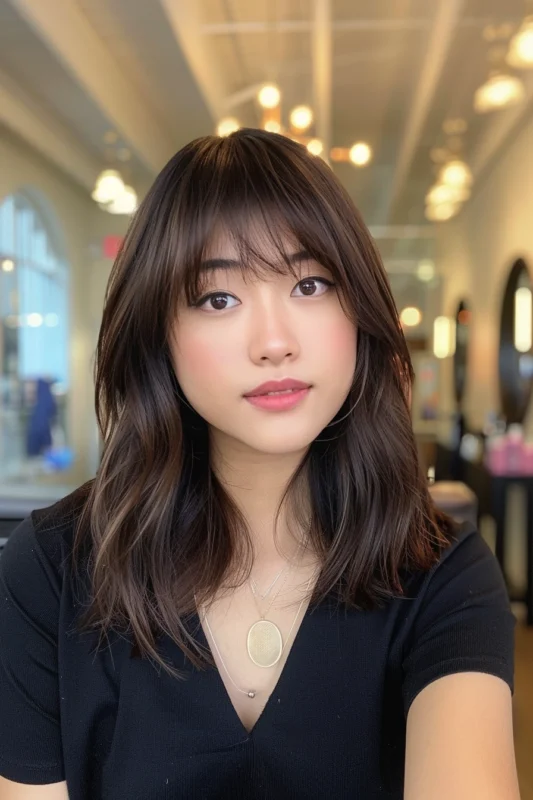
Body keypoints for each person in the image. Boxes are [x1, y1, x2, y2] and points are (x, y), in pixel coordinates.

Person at [0, 130, 520, 800]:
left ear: (358, 310)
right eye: (218, 298)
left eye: (309, 284)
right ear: (159, 333)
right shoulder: (49, 573)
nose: (273, 342)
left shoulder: (441, 577)